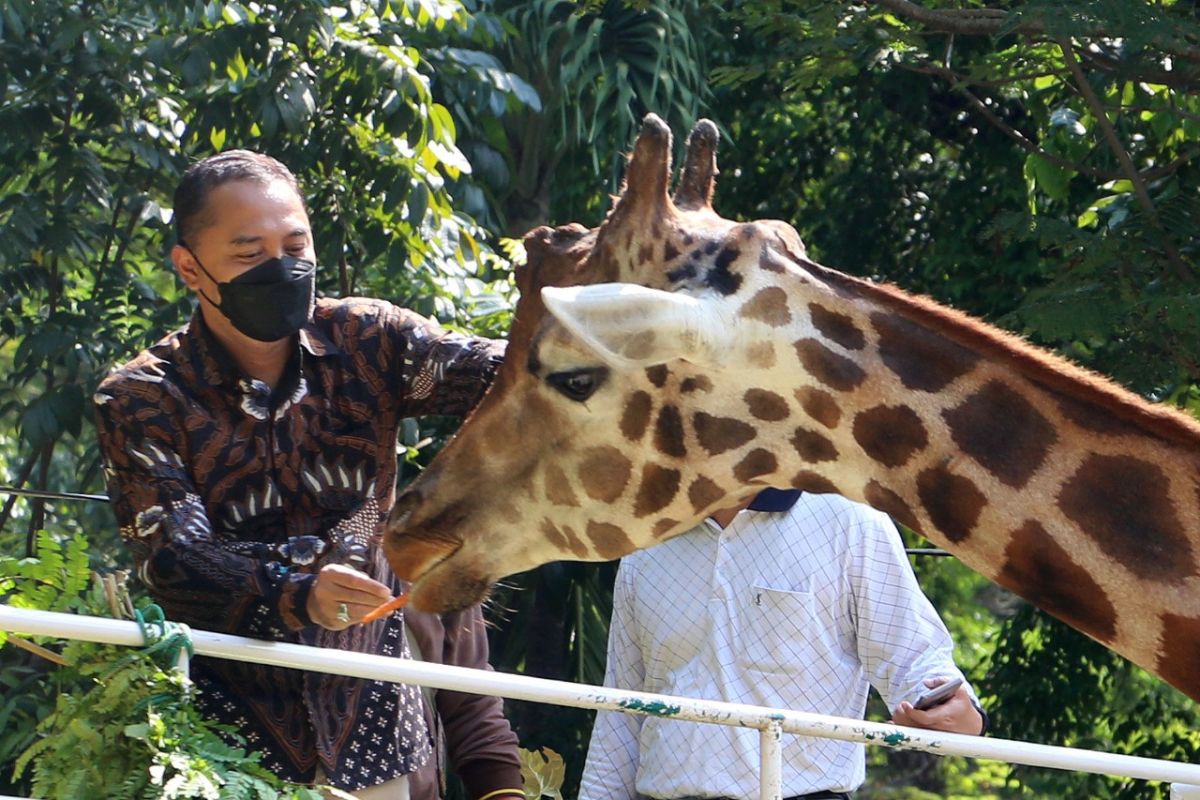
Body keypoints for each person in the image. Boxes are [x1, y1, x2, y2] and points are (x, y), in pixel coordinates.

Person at [92, 150, 524, 800]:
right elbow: (175, 559)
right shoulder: (141, 397)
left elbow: (508, 374)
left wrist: (583, 329)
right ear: (190, 267)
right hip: (225, 745)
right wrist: (297, 592)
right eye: (249, 253)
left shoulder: (372, 342)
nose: (281, 266)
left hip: (375, 733)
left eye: (295, 243)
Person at [578, 488, 986, 800]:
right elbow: (620, 715)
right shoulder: (648, 541)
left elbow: (917, 661)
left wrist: (960, 714)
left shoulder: (848, 520)